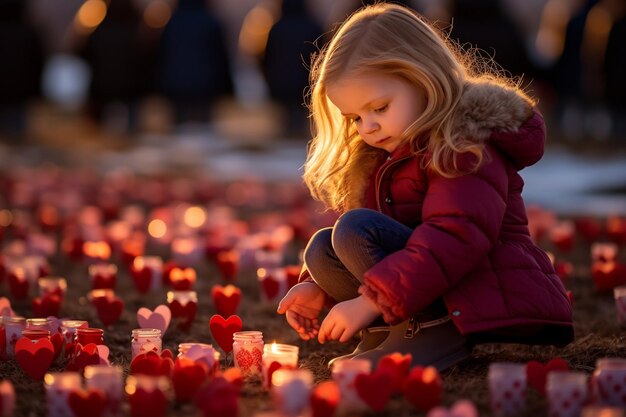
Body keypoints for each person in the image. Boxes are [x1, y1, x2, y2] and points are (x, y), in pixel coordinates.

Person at [276, 3, 574, 370]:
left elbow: (454, 237)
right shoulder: (382, 152)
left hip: (477, 285)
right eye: (355, 117)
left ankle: (430, 330)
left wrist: (369, 302)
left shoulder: (463, 144)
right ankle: (389, 332)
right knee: (325, 244)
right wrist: (317, 287)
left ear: (423, 79)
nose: (367, 127)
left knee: (355, 229)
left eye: (379, 108)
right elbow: (379, 238)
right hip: (424, 283)